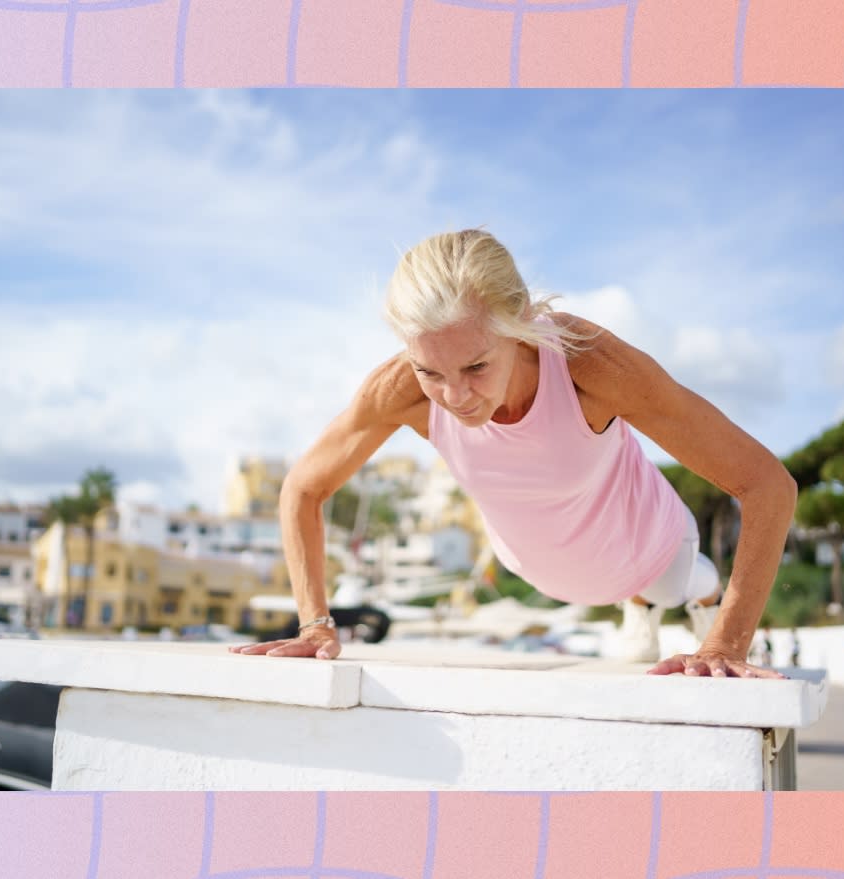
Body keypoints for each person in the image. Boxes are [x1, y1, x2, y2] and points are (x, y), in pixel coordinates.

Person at [231, 230, 795, 678]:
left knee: (675, 585)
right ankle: (638, 610)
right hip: (539, 568)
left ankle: (686, 596)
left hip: (650, 547)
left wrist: (728, 640)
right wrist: (315, 624)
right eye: (431, 371)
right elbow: (303, 488)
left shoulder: (590, 367)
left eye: (476, 367)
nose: (454, 397)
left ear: (520, 320)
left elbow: (768, 484)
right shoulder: (399, 390)